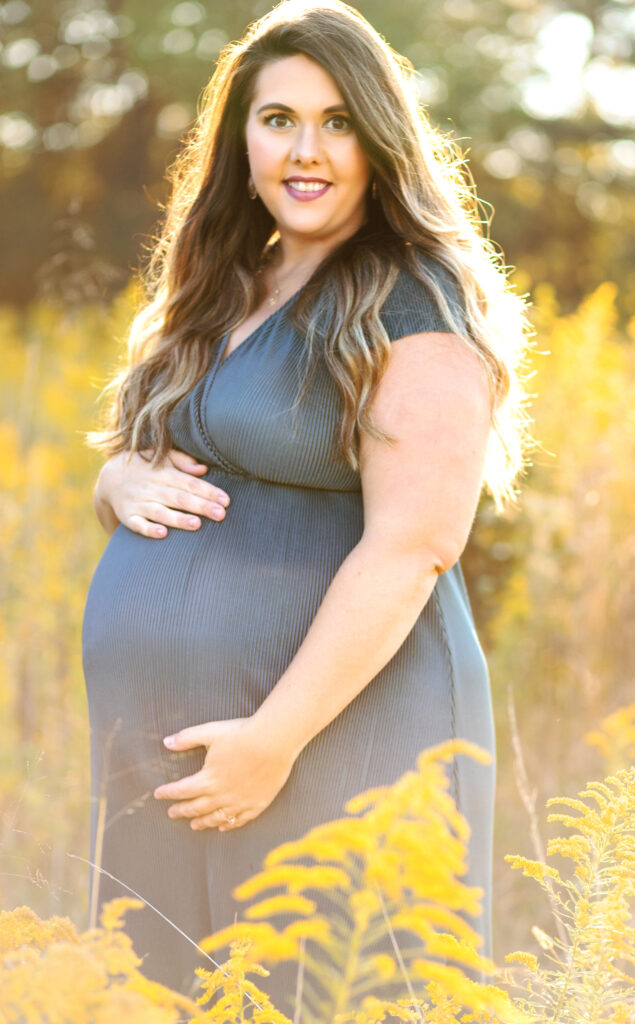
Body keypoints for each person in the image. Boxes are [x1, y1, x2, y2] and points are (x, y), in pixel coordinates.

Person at [81, 0, 531, 1016]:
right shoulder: (228, 281)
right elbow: (143, 443)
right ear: (238, 139)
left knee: (323, 992)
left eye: (336, 122)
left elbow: (416, 543)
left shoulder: (408, 300)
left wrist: (273, 737)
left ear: (378, 143)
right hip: (181, 751)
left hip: (327, 731)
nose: (305, 150)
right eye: (277, 118)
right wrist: (116, 482)